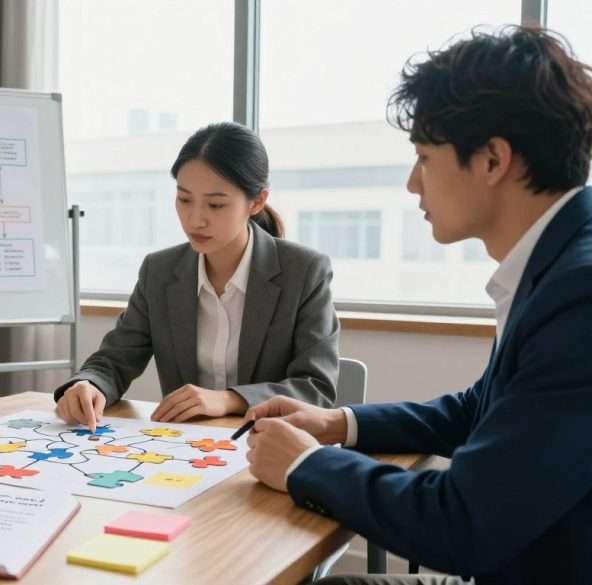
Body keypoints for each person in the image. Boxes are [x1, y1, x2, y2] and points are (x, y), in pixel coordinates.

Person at [244, 27, 592, 585]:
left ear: (492, 160)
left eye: (425, 158)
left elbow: (463, 522)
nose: (412, 184)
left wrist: (305, 464)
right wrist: (338, 424)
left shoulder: (580, 294)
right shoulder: (558, 265)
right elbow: (478, 410)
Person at [54, 122, 339, 431]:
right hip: (185, 451)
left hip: (269, 445)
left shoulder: (305, 272)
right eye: (184, 199)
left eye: (215, 204)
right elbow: (113, 360)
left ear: (256, 202)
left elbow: (316, 389)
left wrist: (230, 399)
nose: (195, 219)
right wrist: (90, 384)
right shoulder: (159, 272)